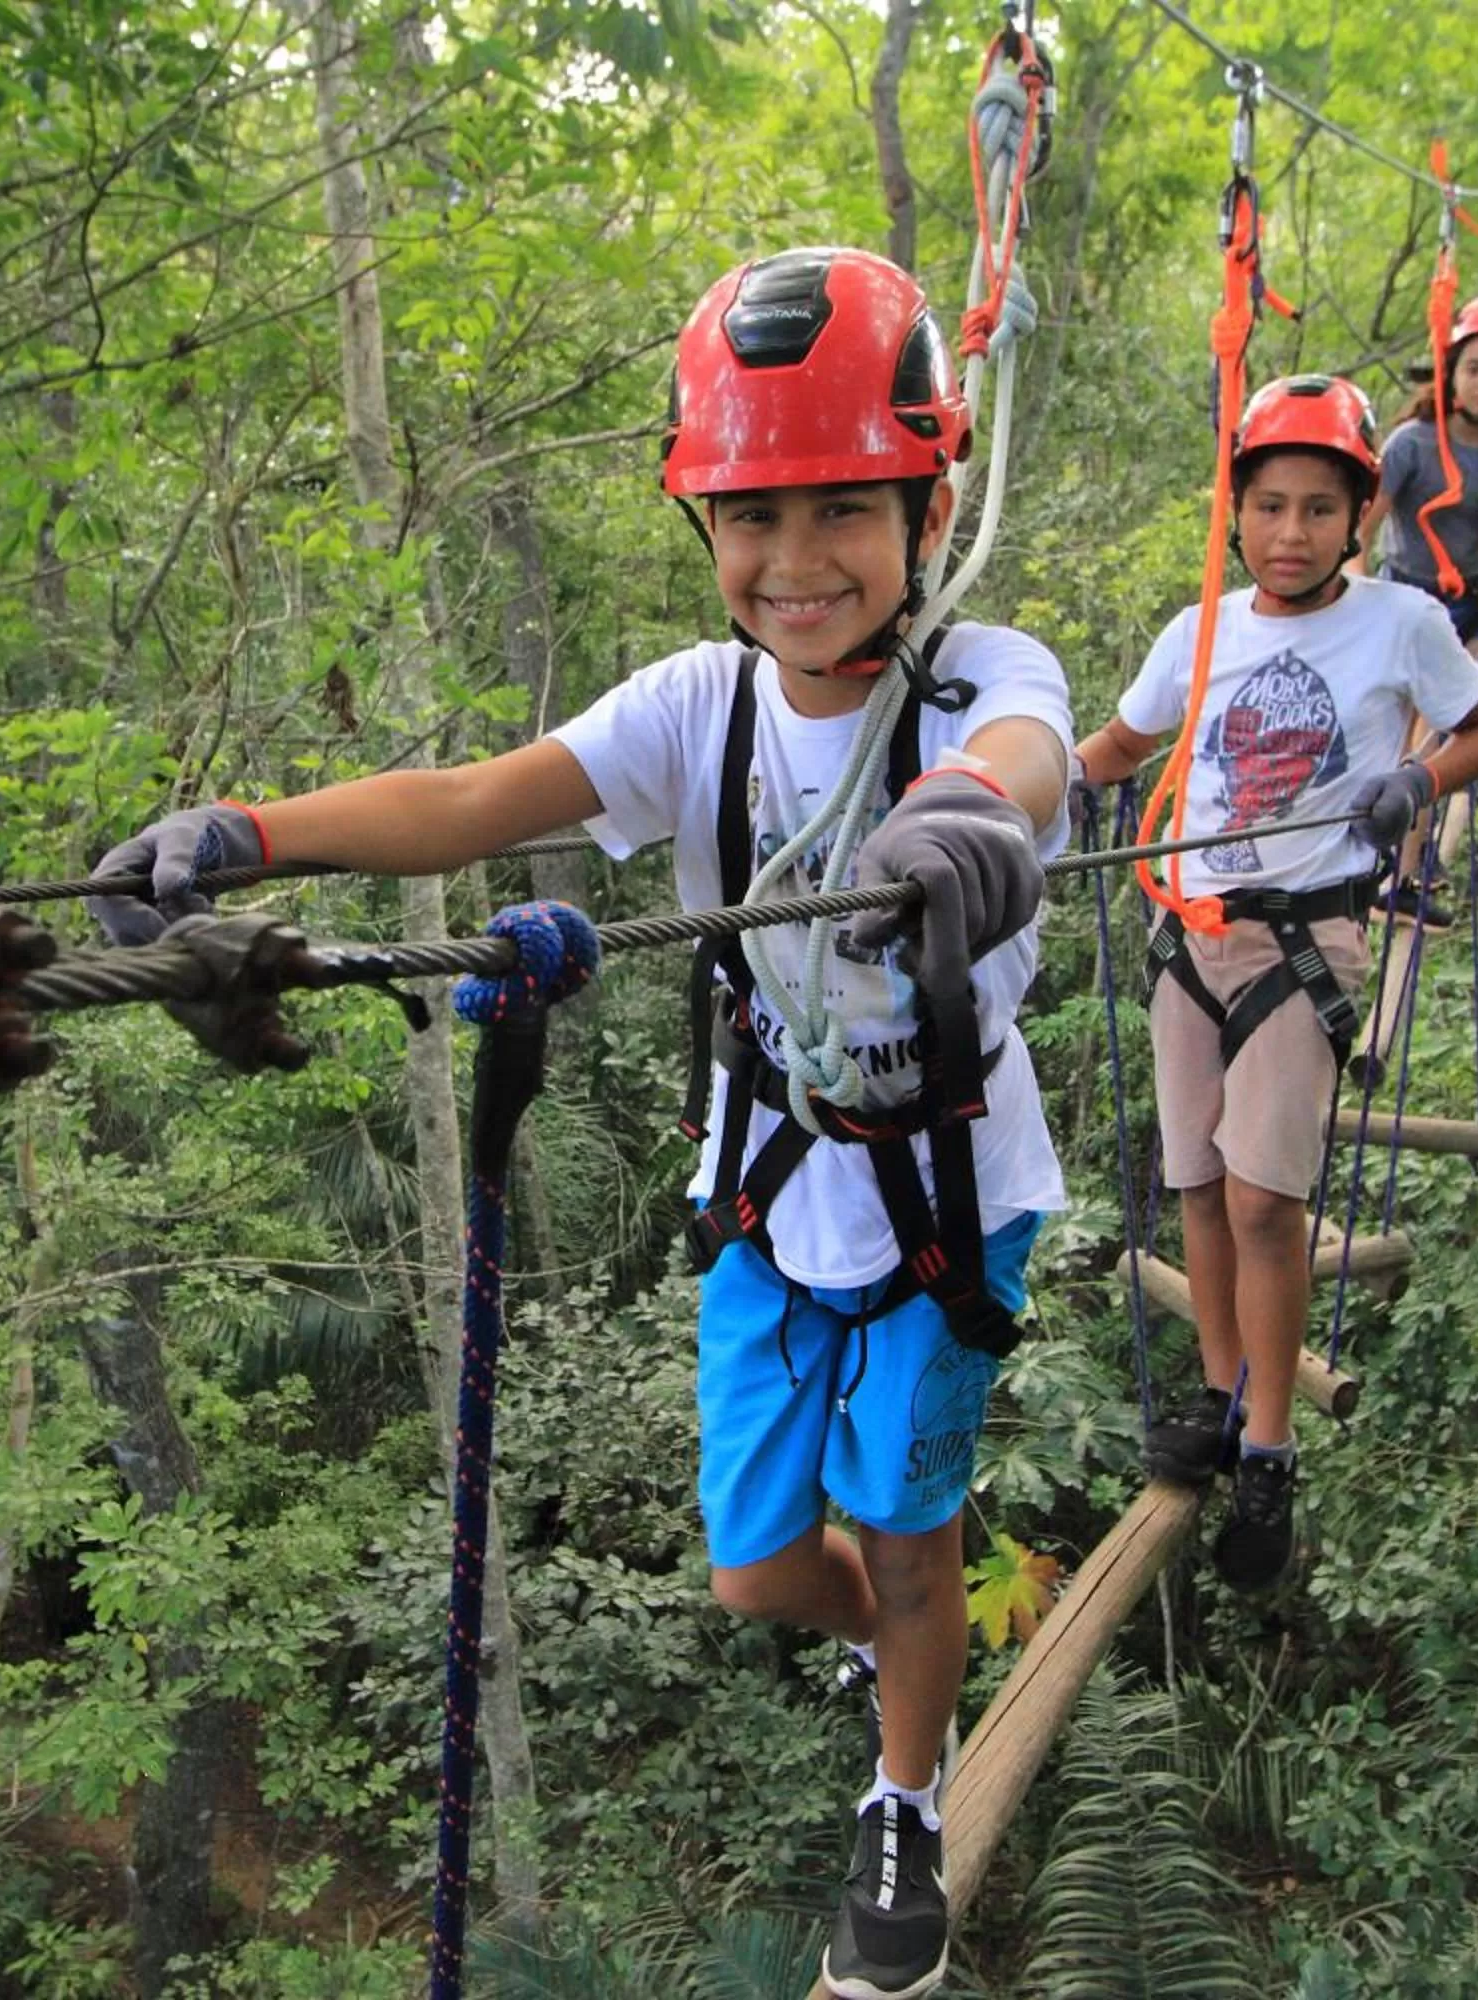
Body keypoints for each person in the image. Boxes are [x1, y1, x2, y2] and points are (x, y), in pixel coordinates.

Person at [90, 247, 1069, 2000]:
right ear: (704, 525)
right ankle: (901, 1659)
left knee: (911, 1544)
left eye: (844, 507)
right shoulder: (700, 708)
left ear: (928, 506)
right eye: (750, 516)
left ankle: (904, 1796)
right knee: (758, 1571)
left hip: (943, 1189)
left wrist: (961, 830)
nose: (795, 559)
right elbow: (476, 799)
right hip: (773, 1185)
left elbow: (1019, 764)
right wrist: (247, 834)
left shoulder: (984, 680)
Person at [1076, 377, 1478, 1588]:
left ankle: (1269, 1447)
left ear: (1361, 515)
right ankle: (1224, 1394)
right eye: (1270, 505)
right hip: (1190, 933)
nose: (1291, 532)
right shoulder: (1200, 630)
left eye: (1320, 508)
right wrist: (1017, 794)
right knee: (1198, 1187)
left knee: (1266, 1202)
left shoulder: (1401, 622)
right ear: (1239, 511)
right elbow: (1123, 744)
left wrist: (1419, 782)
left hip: (1307, 939)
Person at [1363, 297, 1478, 653]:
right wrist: (1358, 595)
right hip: (1405, 593)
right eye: (1473, 369)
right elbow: (1362, 530)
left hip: (1472, 597)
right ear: (1452, 373)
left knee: (1475, 686)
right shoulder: (1411, 444)